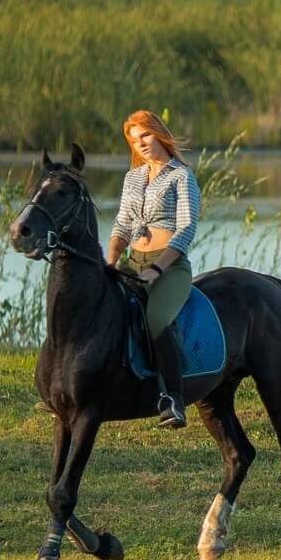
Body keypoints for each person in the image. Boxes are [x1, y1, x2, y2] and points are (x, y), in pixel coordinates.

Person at [105, 109, 201, 427]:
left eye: (144, 135)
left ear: (158, 132)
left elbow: (186, 229)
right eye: (135, 140)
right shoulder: (132, 177)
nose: (141, 144)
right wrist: (110, 261)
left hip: (169, 268)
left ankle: (173, 399)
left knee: (157, 319)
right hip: (133, 262)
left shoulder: (181, 176)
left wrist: (157, 271)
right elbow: (121, 225)